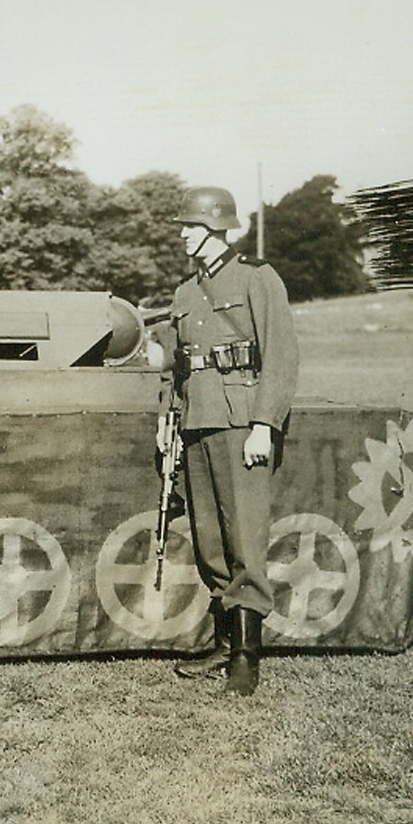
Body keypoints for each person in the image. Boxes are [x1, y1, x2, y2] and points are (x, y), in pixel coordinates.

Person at [160, 186, 298, 697]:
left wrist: (265, 423)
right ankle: (224, 643)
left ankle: (246, 655)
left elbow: (280, 355)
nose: (182, 234)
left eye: (189, 226)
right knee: (211, 540)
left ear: (216, 228)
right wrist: (168, 420)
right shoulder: (183, 292)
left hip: (242, 423)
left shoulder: (256, 278)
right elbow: (178, 368)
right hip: (198, 420)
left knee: (244, 537)